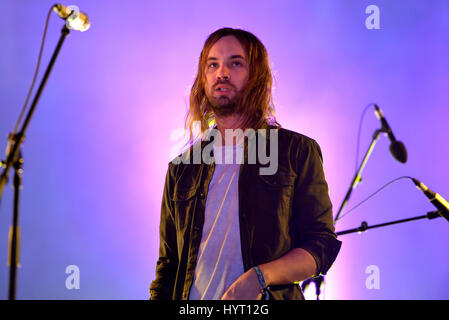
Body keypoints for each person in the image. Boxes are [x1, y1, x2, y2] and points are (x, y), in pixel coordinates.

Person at [150, 27, 341, 300]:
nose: (222, 73)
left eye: (235, 63)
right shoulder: (182, 169)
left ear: (257, 76)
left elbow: (321, 244)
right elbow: (168, 266)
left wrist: (260, 277)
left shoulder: (296, 151)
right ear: (202, 78)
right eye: (212, 64)